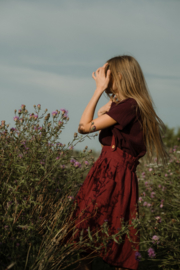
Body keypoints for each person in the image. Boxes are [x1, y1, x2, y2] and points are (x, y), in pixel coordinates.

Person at [66, 55, 169, 270]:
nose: (103, 80)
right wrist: (107, 104)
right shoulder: (125, 106)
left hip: (113, 174)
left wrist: (97, 91)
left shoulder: (130, 106)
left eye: (107, 75)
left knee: (100, 235)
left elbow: (83, 127)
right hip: (110, 171)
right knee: (91, 234)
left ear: (119, 76)